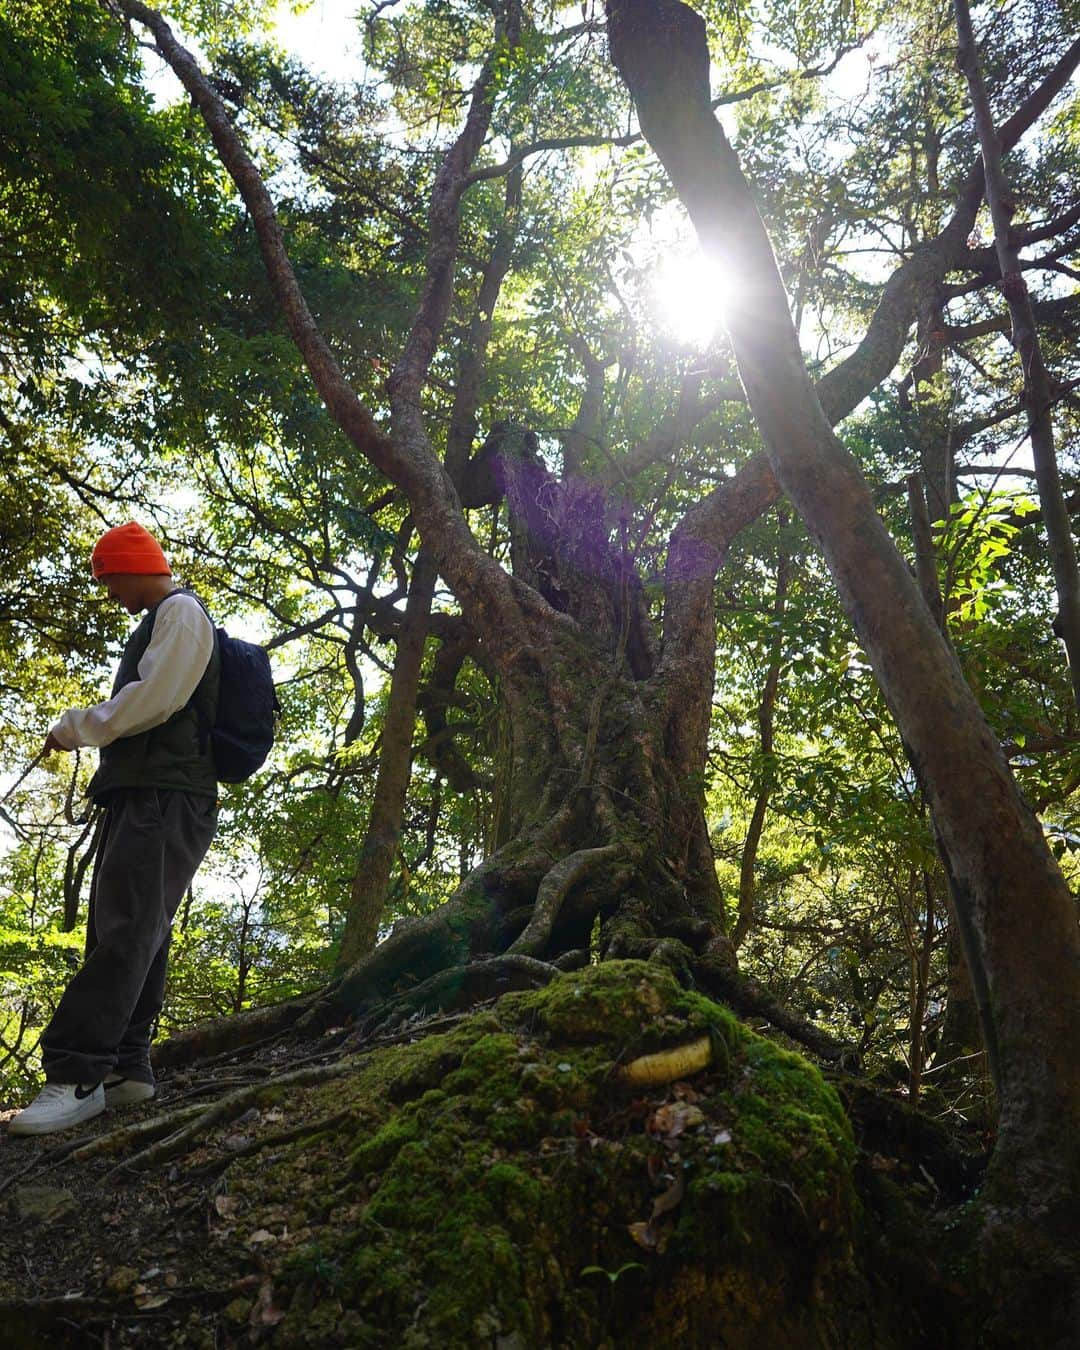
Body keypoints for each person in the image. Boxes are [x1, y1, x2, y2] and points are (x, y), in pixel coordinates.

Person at [8, 522, 220, 1136]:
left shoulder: (179, 612)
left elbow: (155, 699)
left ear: (130, 567)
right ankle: (127, 1070)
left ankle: (77, 1076)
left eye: (108, 582)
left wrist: (77, 726)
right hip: (151, 794)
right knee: (137, 925)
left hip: (163, 795)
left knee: (125, 927)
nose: (109, 595)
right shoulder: (166, 617)